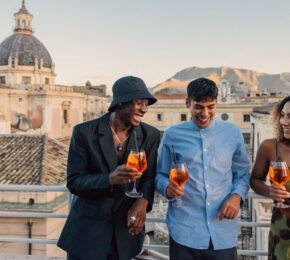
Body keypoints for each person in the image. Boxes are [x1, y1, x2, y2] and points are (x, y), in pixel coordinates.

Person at [57, 76, 160, 260]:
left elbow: (149, 177)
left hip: (126, 234)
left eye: (146, 104)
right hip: (87, 235)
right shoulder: (84, 133)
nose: (144, 109)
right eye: (139, 103)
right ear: (120, 103)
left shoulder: (149, 135)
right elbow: (74, 182)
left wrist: (142, 203)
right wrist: (109, 179)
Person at [155, 78, 250, 260]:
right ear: (187, 103)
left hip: (223, 232)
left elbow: (242, 174)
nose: (205, 113)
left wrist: (237, 196)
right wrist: (166, 187)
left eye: (211, 107)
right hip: (184, 232)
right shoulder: (172, 135)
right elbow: (160, 175)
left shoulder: (233, 133)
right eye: (198, 107)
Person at [250, 96, 290, 260]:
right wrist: (269, 191)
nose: (284, 122)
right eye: (282, 115)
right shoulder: (269, 147)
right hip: (282, 230)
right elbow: (254, 180)